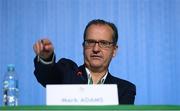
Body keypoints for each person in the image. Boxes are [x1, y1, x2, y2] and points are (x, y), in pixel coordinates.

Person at [33, 19, 136, 104]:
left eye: (104, 43)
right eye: (90, 42)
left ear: (114, 50)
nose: (96, 49)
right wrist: (46, 58)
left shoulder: (125, 89)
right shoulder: (66, 73)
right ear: (83, 47)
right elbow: (46, 75)